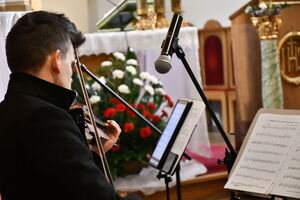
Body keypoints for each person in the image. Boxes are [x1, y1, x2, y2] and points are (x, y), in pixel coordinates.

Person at [0, 11, 141, 200]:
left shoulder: (6, 109)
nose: (73, 73)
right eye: (72, 63)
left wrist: (94, 154)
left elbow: (57, 184)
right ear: (57, 60)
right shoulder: (48, 118)